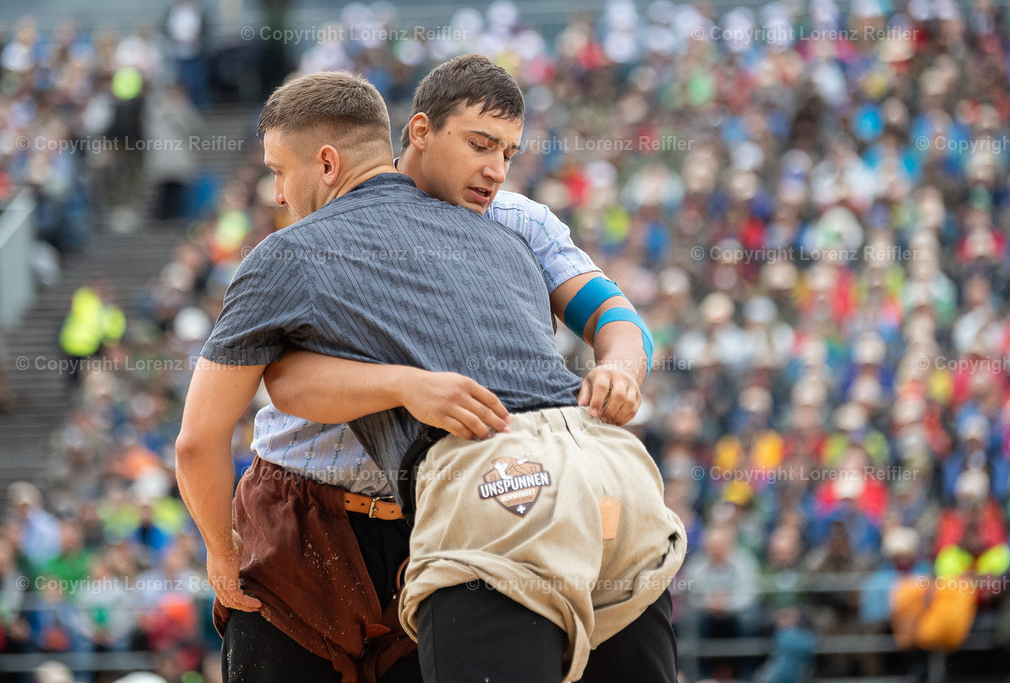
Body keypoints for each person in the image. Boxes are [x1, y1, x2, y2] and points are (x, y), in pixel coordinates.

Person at [176, 70, 686, 683]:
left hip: (469, 494)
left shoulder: (510, 223)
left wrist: (622, 369)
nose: (497, 169)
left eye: (508, 152)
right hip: (328, 507)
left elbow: (619, 319)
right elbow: (284, 384)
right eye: (480, 144)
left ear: (327, 163)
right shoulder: (317, 243)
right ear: (419, 132)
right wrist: (409, 385)